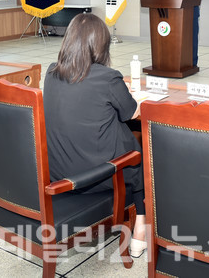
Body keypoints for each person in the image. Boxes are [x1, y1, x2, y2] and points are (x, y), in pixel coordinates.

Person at [43, 13, 147, 257]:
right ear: (101, 46)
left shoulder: (51, 73)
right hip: (100, 178)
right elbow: (131, 111)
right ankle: (141, 227)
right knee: (136, 150)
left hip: (60, 173)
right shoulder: (108, 78)